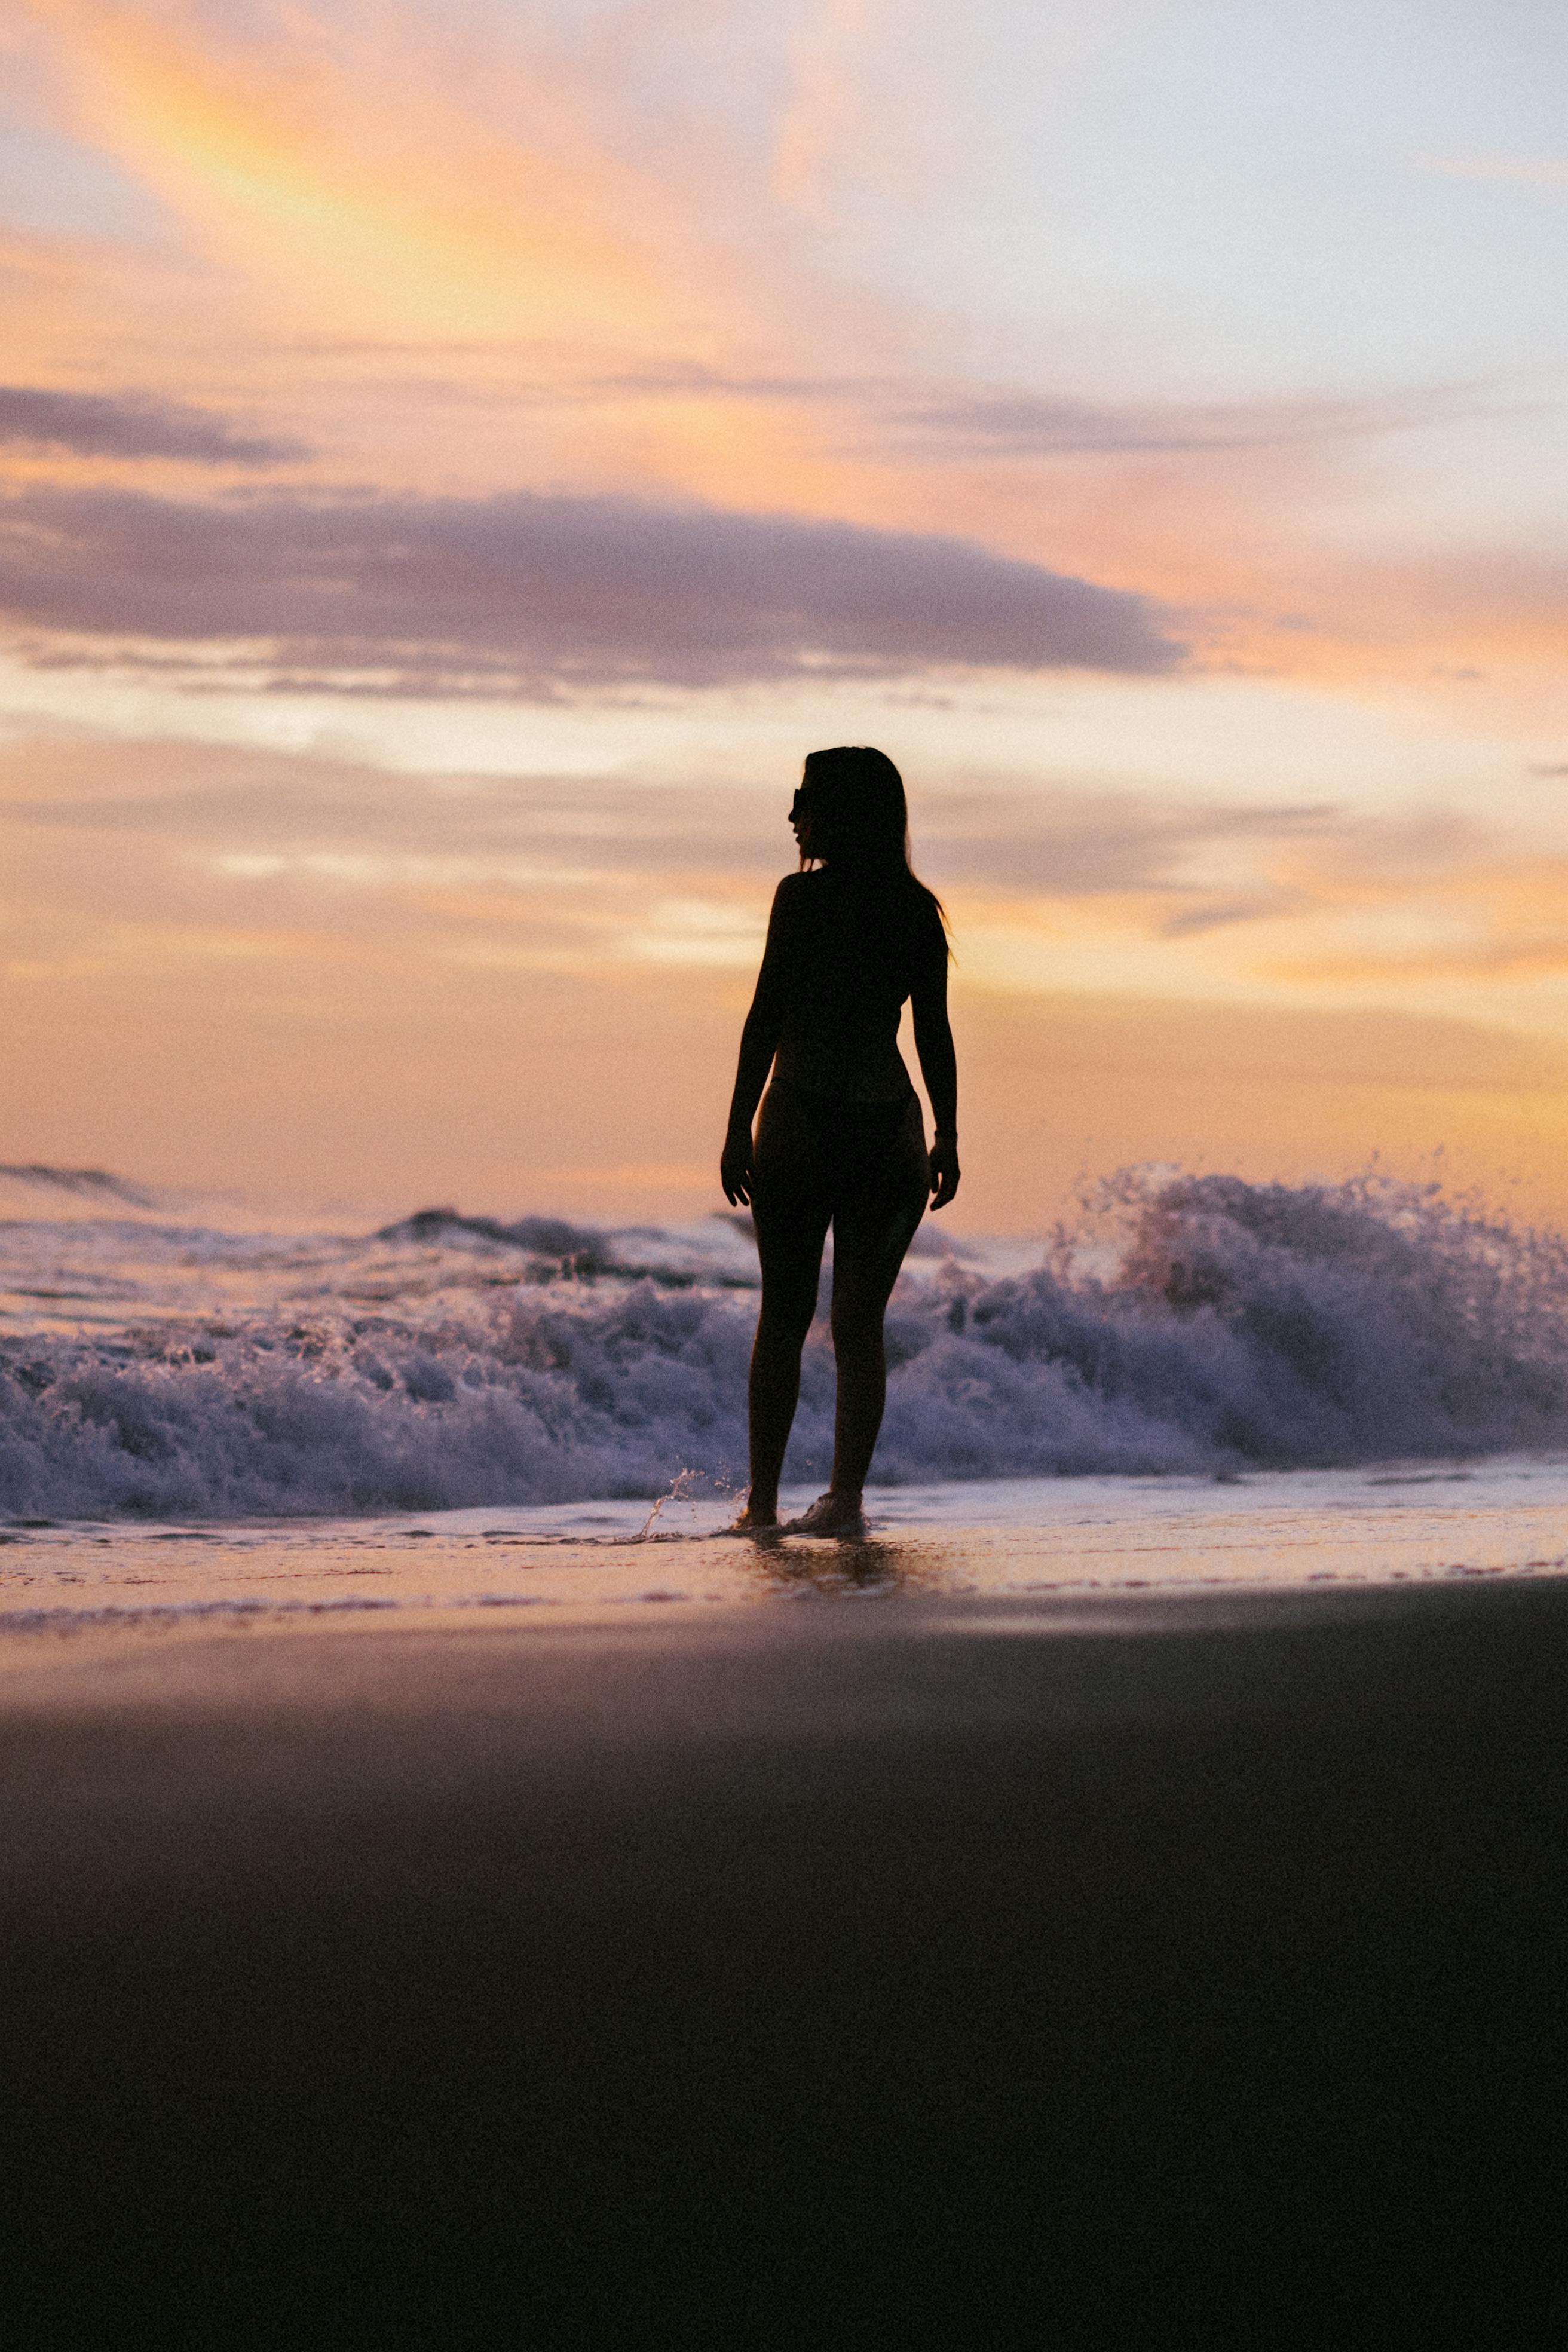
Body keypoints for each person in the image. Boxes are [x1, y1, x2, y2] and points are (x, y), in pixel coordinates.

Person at [720, 746, 960, 1537]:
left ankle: (760, 1507)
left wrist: (734, 1125)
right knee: (859, 1328)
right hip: (889, 1127)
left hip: (798, 1119)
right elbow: (933, 1035)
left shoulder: (800, 900)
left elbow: (765, 1016)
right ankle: (845, 1502)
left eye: (804, 798)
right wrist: (948, 1133)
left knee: (783, 1318)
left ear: (839, 812)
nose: (794, 815)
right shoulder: (916, 912)